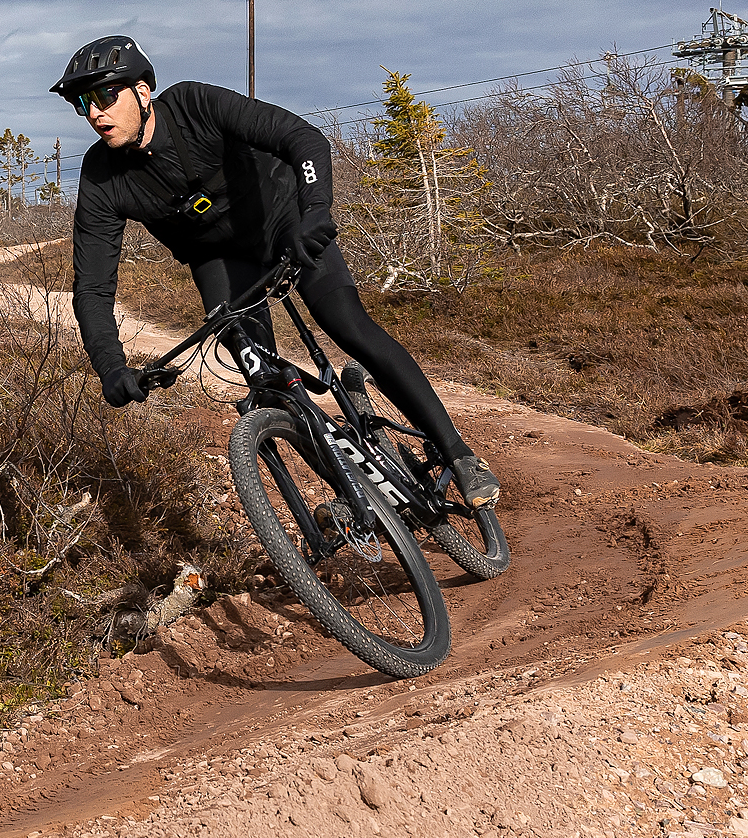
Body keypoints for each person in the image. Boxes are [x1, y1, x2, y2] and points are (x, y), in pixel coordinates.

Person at [53, 34, 501, 509]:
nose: (95, 113)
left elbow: (302, 139)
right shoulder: (100, 175)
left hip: (282, 218)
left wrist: (314, 212)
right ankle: (357, 496)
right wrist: (110, 367)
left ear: (143, 91)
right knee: (263, 381)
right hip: (219, 258)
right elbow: (93, 288)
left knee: (347, 324)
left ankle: (458, 454)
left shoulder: (192, 105)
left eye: (105, 96)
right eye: (83, 103)